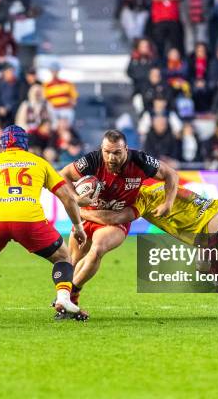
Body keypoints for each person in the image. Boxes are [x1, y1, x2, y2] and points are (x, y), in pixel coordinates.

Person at [79, 181, 218, 319]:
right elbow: (185, 194)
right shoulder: (157, 187)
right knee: (203, 267)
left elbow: (118, 217)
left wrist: (83, 213)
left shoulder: (142, 198)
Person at [0, 125, 87, 326]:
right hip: (29, 219)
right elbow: (67, 198)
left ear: (3, 145)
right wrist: (78, 226)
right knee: (63, 257)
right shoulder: (39, 163)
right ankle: (63, 298)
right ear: (25, 144)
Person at [59, 129, 180, 310]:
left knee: (98, 248)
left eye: (117, 152)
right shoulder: (93, 160)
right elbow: (63, 174)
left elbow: (171, 174)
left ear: (126, 149)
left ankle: (70, 296)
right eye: (107, 152)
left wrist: (168, 203)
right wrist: (76, 198)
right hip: (90, 214)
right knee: (73, 261)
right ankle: (67, 300)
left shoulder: (140, 160)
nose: (111, 158)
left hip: (116, 220)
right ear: (102, 149)